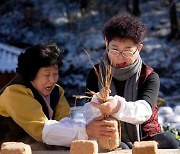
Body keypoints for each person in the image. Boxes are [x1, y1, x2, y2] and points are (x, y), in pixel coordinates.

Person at [84, 13, 179, 149]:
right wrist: (98, 104)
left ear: (139, 49)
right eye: (115, 51)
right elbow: (87, 111)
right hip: (111, 138)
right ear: (107, 46)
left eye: (127, 52)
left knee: (169, 141)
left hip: (146, 137)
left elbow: (143, 110)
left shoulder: (149, 76)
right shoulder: (96, 73)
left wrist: (117, 106)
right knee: (120, 147)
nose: (120, 58)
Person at [0, 42, 117, 150]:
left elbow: (64, 123)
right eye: (46, 74)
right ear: (31, 74)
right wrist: (86, 131)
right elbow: (42, 129)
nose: (52, 80)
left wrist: (93, 126)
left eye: (55, 74)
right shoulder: (14, 93)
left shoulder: (56, 92)